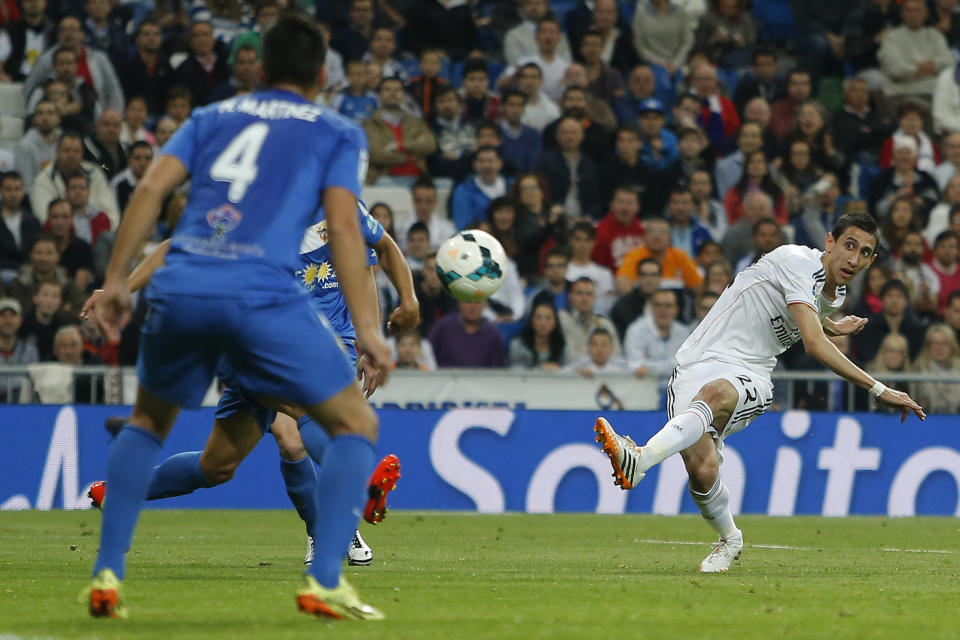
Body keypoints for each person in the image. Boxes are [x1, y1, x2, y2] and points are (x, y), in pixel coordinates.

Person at [82, 15, 393, 621]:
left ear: (259, 69)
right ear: (322, 75)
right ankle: (324, 578)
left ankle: (107, 576)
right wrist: (371, 331)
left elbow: (148, 192)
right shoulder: (334, 131)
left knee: (162, 431)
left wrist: (117, 280)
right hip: (259, 296)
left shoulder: (210, 120)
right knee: (354, 422)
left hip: (184, 291)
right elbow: (349, 236)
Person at [594, 213, 926, 574]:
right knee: (702, 469)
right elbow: (812, 340)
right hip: (698, 359)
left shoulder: (836, 293)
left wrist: (828, 325)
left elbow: (808, 324)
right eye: (849, 246)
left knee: (714, 394)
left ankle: (639, 459)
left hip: (752, 372)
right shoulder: (796, 261)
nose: (854, 259)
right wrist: (878, 387)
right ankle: (731, 539)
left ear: (872, 260)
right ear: (829, 242)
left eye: (865, 253)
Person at [30, 131, 120, 229]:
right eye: (67, 150)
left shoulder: (95, 173)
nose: (71, 155)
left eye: (76, 151)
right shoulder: (44, 179)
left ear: (82, 153)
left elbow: (112, 214)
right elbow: (44, 217)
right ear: (57, 152)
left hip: (95, 234)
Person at [362, 77, 437, 186]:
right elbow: (376, 154)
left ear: (403, 95)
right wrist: (410, 157)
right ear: (379, 95)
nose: (392, 93)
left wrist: (400, 146)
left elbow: (430, 144)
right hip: (385, 178)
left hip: (419, 179)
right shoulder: (370, 124)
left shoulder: (416, 122)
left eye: (397, 90)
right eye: (387, 89)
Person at [878, 0, 952, 102]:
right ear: (902, 14)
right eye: (908, 11)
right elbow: (894, 70)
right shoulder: (891, 37)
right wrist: (930, 68)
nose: (913, 15)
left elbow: (949, 62)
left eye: (917, 10)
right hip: (901, 94)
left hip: (934, 92)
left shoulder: (935, 36)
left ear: (925, 13)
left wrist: (914, 67)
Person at [615, 217, 703, 294]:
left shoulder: (680, 256)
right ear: (644, 237)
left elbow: (698, 287)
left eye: (662, 232)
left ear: (670, 237)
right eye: (652, 232)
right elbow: (623, 284)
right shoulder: (634, 255)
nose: (657, 236)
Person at [623, 287, 688, 385]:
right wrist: (671, 365)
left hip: (677, 390)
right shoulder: (636, 330)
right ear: (651, 308)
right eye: (658, 305)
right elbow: (635, 366)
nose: (663, 310)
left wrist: (649, 367)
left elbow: (685, 366)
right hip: (644, 388)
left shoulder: (684, 333)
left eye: (668, 305)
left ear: (676, 310)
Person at [854, 279, 927, 364]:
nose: (894, 300)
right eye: (890, 296)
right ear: (882, 300)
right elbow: (866, 357)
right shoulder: (869, 327)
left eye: (899, 296)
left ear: (906, 302)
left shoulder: (916, 329)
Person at [558, 277, 621, 363]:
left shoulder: (604, 324)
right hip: (570, 373)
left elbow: (616, 355)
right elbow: (569, 356)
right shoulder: (561, 320)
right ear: (571, 296)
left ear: (594, 298)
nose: (584, 298)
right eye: (579, 293)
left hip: (601, 373)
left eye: (589, 294)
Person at [429, 300, 507, 367]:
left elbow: (498, 369)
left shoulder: (493, 334)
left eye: (477, 302)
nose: (472, 306)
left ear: (484, 304)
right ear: (459, 303)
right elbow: (427, 357)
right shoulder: (442, 327)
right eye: (468, 302)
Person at [451, 146, 509, 230]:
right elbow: (463, 226)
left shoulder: (512, 186)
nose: (486, 165)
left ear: (500, 163)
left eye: (490, 161)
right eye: (481, 161)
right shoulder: (463, 191)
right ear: (474, 165)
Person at [566, 220, 616, 315]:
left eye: (587, 240)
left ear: (594, 243)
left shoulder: (604, 274)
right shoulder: (563, 270)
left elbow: (607, 306)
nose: (582, 244)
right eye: (578, 239)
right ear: (571, 241)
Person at [910, 323, 960, 413]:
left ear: (952, 346)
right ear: (928, 346)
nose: (939, 348)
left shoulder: (958, 369)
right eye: (935, 343)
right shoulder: (918, 370)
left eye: (944, 343)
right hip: (927, 420)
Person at [0, 172, 41, 276]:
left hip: (29, 275)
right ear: (1, 191)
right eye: (8, 189)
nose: (13, 194)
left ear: (23, 192)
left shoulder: (34, 222)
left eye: (17, 189)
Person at [14, 99, 62, 190]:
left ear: (58, 119)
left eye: (50, 113)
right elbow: (26, 184)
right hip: (37, 196)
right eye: (40, 113)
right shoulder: (24, 146)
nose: (44, 117)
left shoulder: (65, 142)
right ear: (34, 119)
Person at [0, 297, 39, 402]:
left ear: (20, 320)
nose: (7, 321)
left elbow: (34, 381)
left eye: (12, 315)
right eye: (3, 316)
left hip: (21, 407)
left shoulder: (30, 350)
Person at [509, 300, 566, 369]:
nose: (543, 323)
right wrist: (540, 369)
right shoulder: (518, 345)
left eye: (548, 318)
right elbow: (514, 371)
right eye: (538, 317)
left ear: (555, 323)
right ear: (532, 320)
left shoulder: (561, 345)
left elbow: (567, 369)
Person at [330, 59, 379, 126]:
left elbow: (378, 120)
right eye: (352, 74)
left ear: (366, 76)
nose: (356, 78)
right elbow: (333, 120)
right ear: (347, 76)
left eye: (360, 74)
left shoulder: (373, 97)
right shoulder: (339, 97)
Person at [110, 141, 153, 213]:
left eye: (147, 158)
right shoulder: (118, 183)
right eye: (137, 158)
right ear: (129, 160)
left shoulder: (158, 180)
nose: (142, 163)